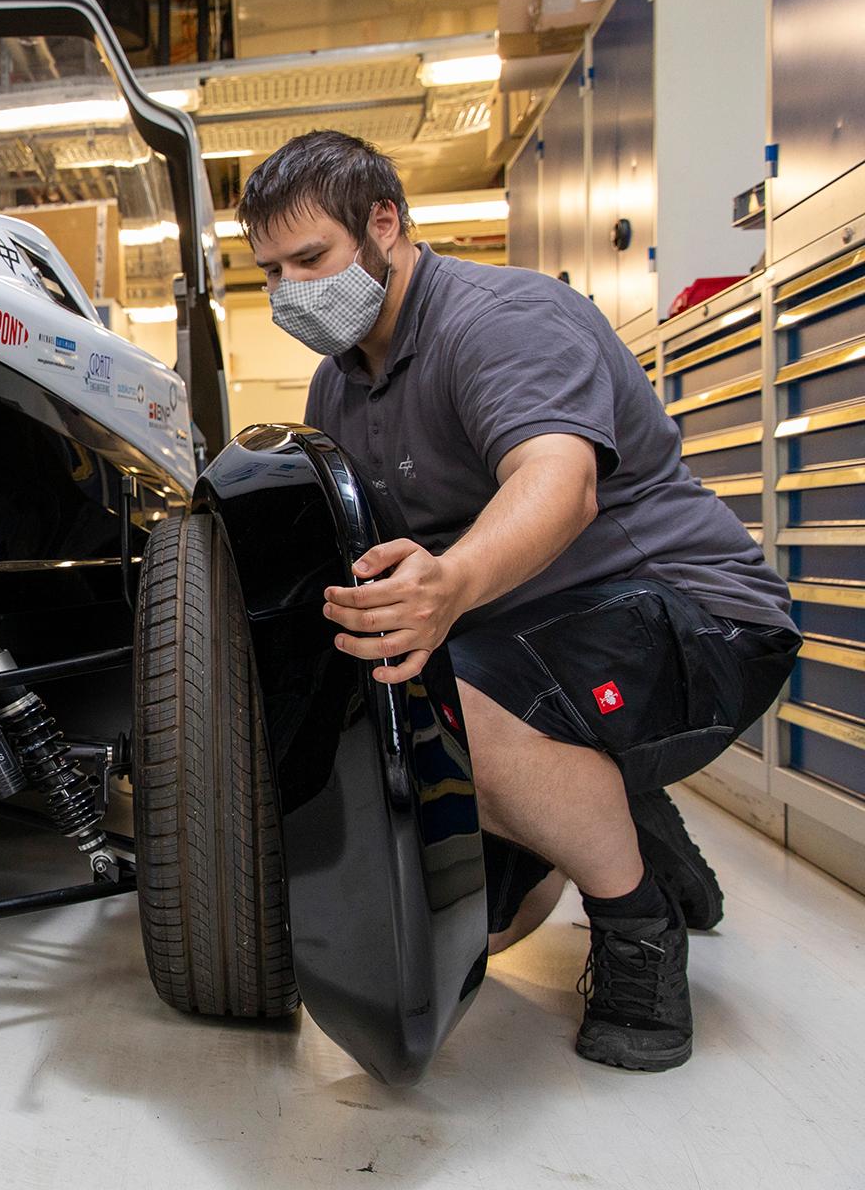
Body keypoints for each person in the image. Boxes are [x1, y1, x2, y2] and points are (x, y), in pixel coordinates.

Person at [237, 130, 800, 1072]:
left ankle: (639, 931)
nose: (291, 291)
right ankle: (622, 817)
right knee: (487, 928)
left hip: (697, 618)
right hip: (539, 645)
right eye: (271, 273)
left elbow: (559, 484)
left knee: (447, 707)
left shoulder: (500, 321)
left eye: (310, 259)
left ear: (385, 224)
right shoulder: (338, 386)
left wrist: (450, 584)